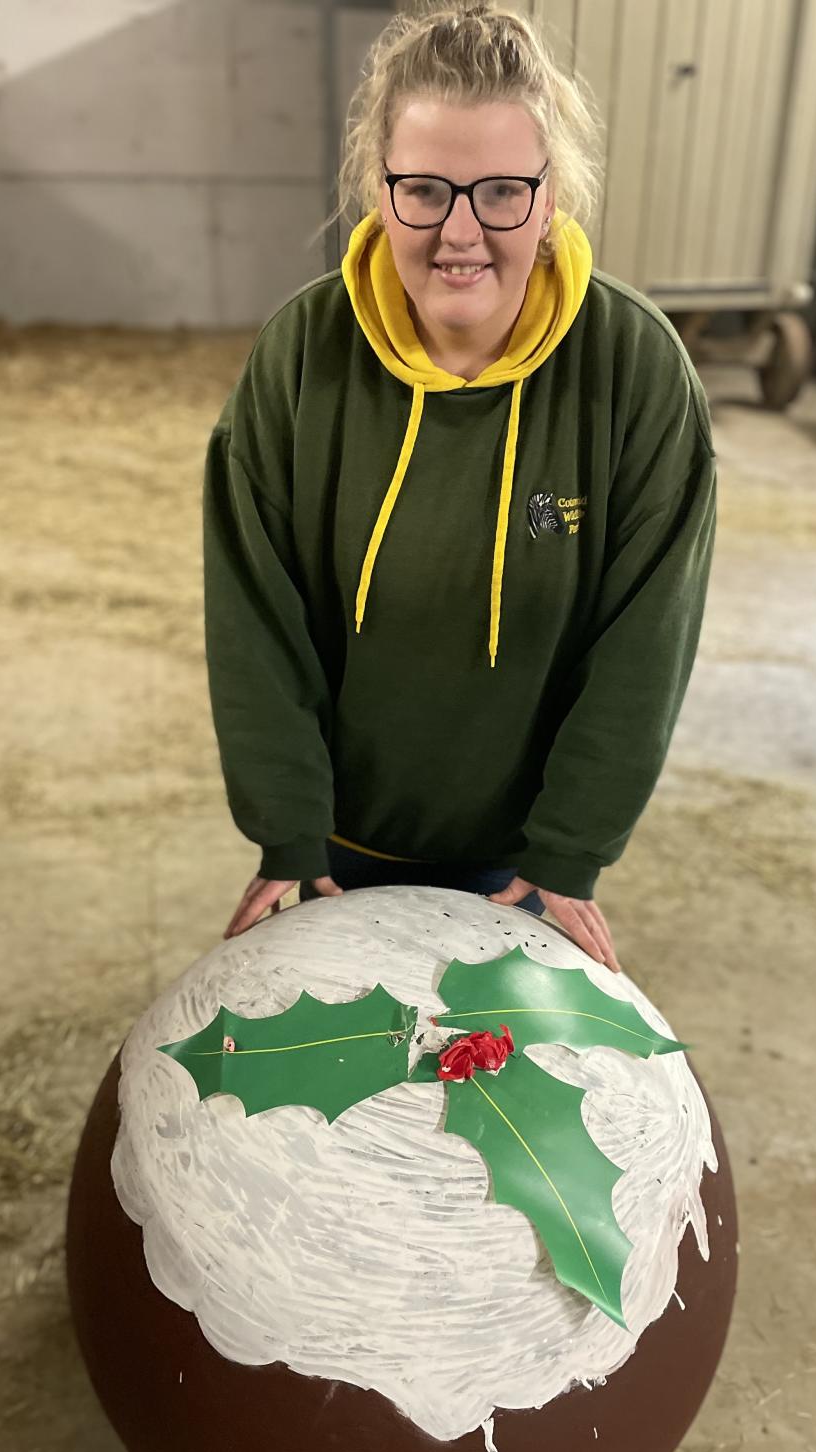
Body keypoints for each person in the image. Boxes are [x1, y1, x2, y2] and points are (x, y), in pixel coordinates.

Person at [204, 2, 716, 974]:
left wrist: (571, 844)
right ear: (378, 186)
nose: (461, 233)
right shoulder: (299, 359)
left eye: (501, 193)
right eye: (427, 190)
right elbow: (252, 610)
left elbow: (647, 638)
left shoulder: (637, 370)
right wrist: (288, 828)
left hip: (520, 870)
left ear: (551, 191)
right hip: (334, 855)